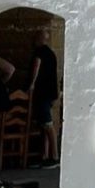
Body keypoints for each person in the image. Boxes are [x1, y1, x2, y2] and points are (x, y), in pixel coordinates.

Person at [28, 30, 60, 168]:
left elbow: (36, 66)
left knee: (48, 124)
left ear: (40, 39)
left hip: (42, 92)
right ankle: (45, 156)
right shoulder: (52, 53)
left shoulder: (39, 52)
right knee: (44, 124)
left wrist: (31, 84)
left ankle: (54, 156)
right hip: (51, 92)